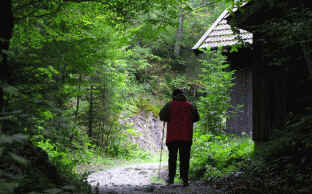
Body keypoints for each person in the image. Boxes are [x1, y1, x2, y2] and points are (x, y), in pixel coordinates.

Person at [159, 88, 200, 186]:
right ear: (183, 95)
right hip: (186, 136)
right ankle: (185, 180)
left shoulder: (169, 105)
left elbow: (162, 116)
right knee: (185, 158)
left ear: (173, 96)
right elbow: (197, 118)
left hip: (172, 136)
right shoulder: (190, 106)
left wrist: (170, 118)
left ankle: (171, 179)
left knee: (172, 157)